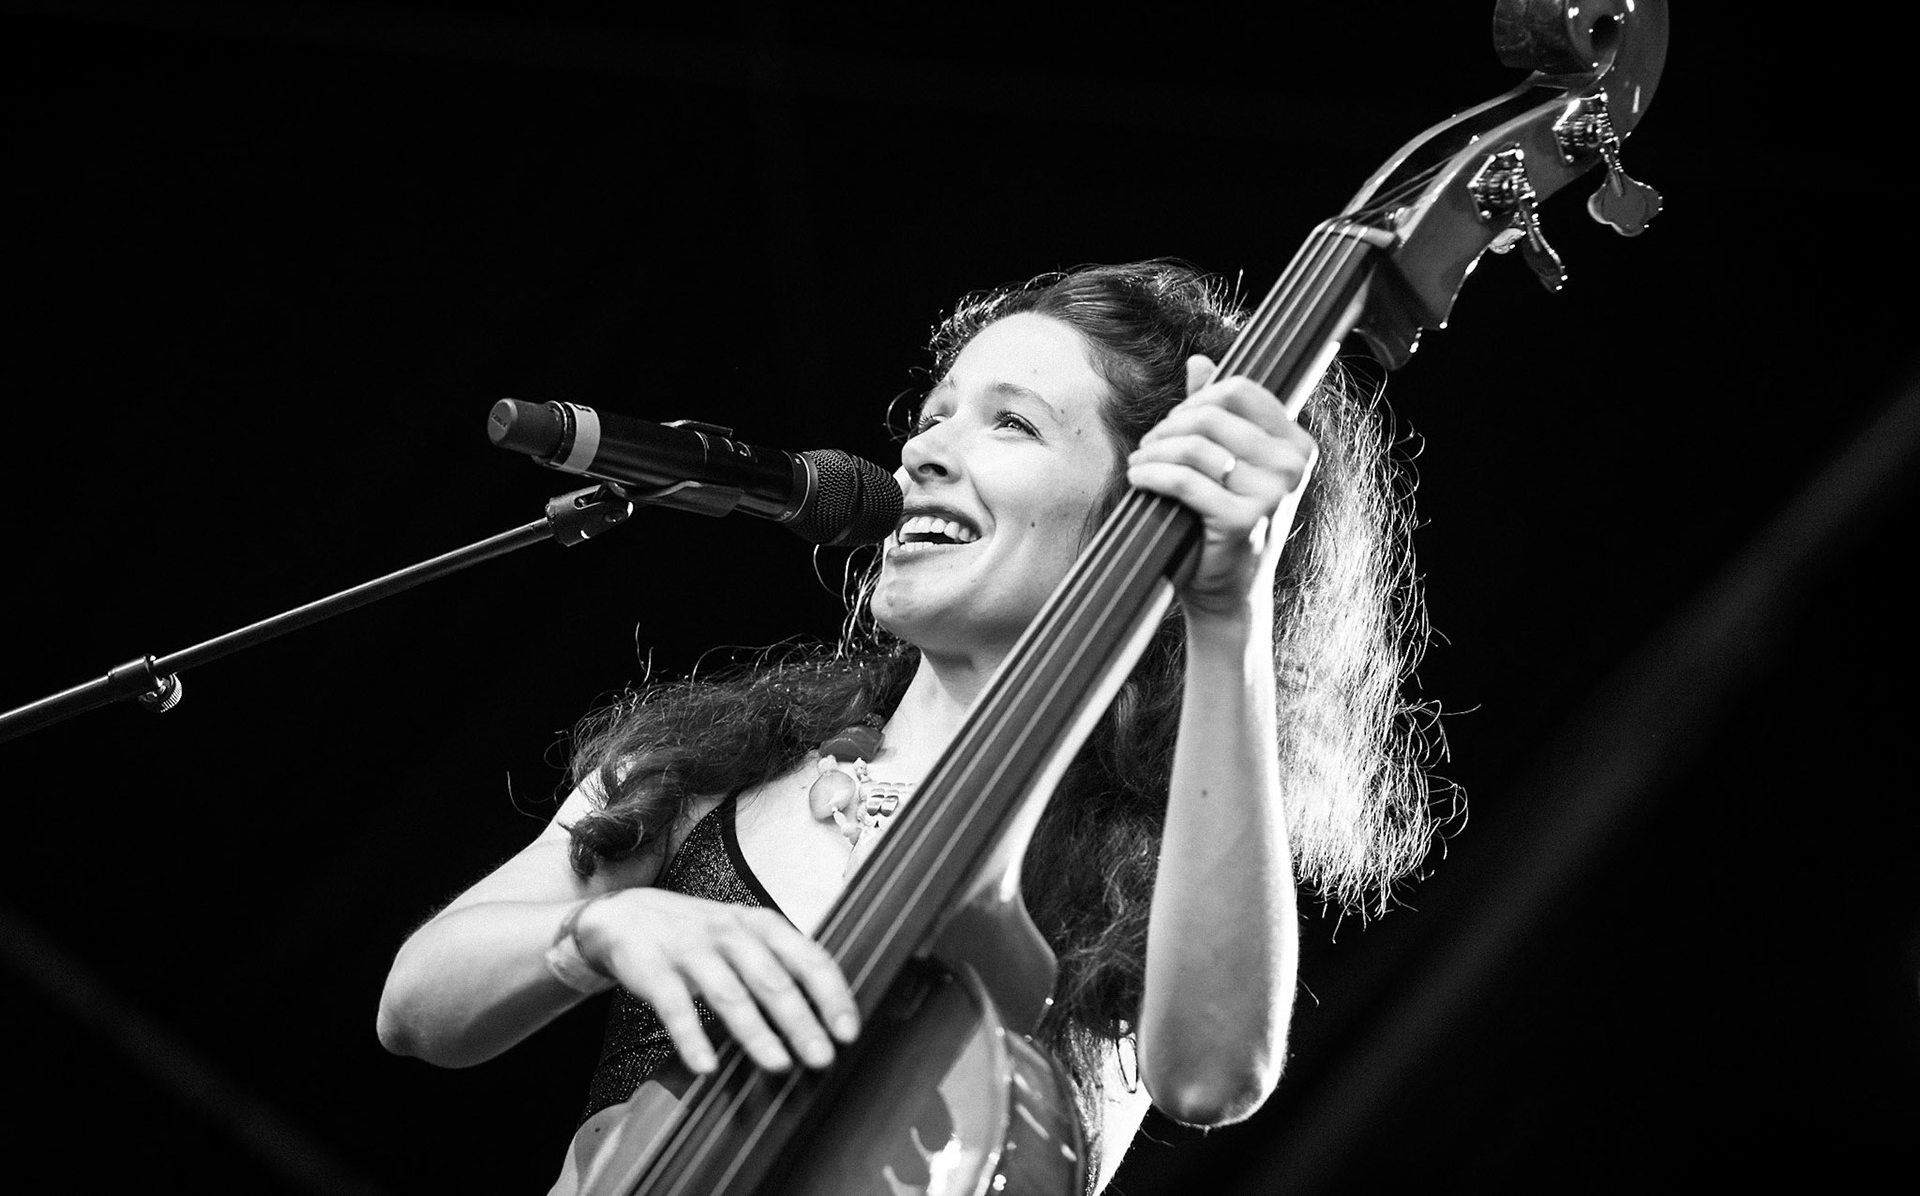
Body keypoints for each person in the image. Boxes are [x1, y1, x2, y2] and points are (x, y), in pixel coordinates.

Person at [376, 259, 1443, 1194]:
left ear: (1145, 503)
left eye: (1011, 421)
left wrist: (1226, 608)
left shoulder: (1156, 857)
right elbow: (417, 1003)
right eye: (934, 414)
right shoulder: (723, 758)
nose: (924, 450)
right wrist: (594, 933)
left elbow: (1213, 1073)